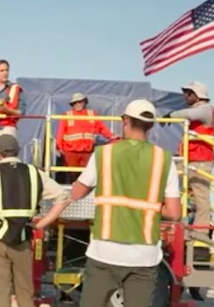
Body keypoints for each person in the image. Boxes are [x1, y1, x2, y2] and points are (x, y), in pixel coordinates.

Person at [36, 99, 182, 307]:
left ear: (125, 121)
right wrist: (149, 205)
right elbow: (174, 213)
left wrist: (44, 217)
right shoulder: (164, 160)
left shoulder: (104, 154)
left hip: (105, 251)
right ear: (150, 126)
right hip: (144, 256)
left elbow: (75, 192)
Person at [0, 134, 67, 307]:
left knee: (0, 295)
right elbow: (64, 197)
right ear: (18, 152)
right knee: (25, 295)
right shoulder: (35, 173)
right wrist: (42, 223)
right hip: (23, 239)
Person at [164, 81, 214, 236]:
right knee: (167, 184)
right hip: (189, 159)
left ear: (197, 95)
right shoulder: (197, 111)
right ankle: (170, 222)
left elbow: (190, 114)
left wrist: (171, 115)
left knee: (201, 197)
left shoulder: (206, 109)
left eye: (188, 93)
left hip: (201, 160)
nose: (185, 96)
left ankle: (200, 232)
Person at [56, 93, 117, 183]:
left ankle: (84, 194)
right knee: (72, 176)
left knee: (86, 176)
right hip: (71, 152)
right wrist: (59, 147)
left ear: (85, 102)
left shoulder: (92, 114)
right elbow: (60, 133)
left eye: (79, 102)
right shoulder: (66, 115)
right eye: (74, 103)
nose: (77, 104)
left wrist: (112, 136)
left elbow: (102, 128)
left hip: (87, 152)